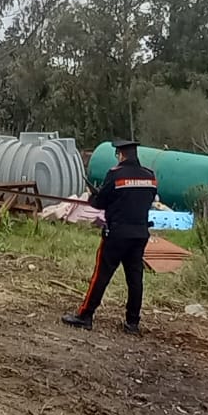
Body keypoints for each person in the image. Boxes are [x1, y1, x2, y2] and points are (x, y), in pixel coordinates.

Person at [62, 140, 158, 335]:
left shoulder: (115, 174)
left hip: (117, 235)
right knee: (135, 279)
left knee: (101, 276)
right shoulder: (150, 176)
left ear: (121, 155)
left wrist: (92, 197)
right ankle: (132, 323)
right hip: (140, 234)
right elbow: (147, 200)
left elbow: (100, 202)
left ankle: (85, 316)